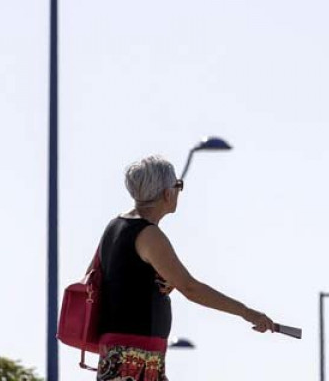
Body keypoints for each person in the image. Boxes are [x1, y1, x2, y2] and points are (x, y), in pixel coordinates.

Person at [95, 154, 274, 381]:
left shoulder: (116, 226)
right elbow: (190, 288)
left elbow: (126, 281)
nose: (179, 191)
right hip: (134, 357)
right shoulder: (148, 235)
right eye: (178, 185)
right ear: (167, 193)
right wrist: (246, 312)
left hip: (130, 354)